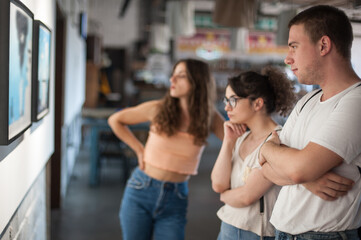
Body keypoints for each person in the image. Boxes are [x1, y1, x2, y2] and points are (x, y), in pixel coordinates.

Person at [259, 5, 361, 240]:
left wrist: (270, 148)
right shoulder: (310, 99)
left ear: (323, 45)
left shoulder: (355, 101)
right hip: (283, 232)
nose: (287, 58)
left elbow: (297, 169)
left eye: (294, 46)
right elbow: (264, 166)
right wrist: (307, 180)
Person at [107, 58, 224, 240]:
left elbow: (237, 143)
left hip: (176, 198)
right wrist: (139, 149)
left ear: (198, 81)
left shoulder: (209, 116)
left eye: (181, 76)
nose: (172, 80)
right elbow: (115, 120)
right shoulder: (158, 108)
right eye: (173, 75)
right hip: (141, 189)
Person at [211, 66, 296, 240]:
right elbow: (218, 184)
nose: (226, 107)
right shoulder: (241, 137)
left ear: (257, 103)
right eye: (226, 100)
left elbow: (247, 196)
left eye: (233, 100)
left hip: (256, 234)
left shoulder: (277, 141)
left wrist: (224, 196)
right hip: (228, 226)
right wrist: (228, 141)